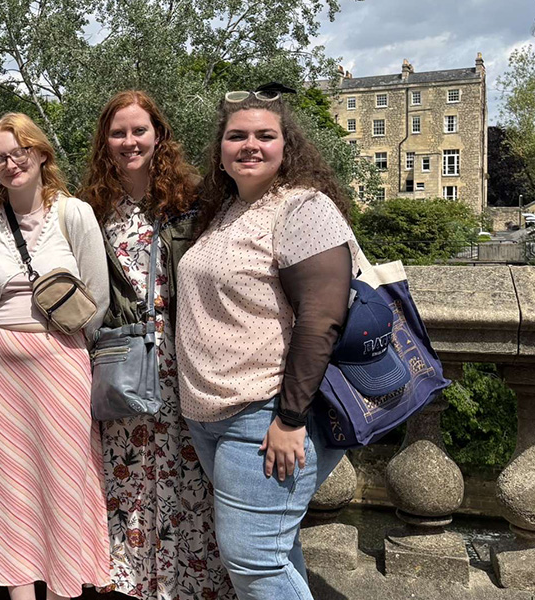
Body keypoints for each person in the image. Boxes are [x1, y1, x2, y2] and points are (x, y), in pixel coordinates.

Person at [174, 86, 356, 600]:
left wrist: (290, 420)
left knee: (253, 561)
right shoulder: (227, 210)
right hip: (212, 416)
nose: (249, 145)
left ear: (286, 146)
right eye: (236, 136)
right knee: (274, 552)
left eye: (264, 136)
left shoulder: (303, 208)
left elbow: (321, 321)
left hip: (265, 415)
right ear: (221, 150)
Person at [78, 91, 235, 600]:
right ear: (105, 141)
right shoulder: (90, 210)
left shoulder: (191, 202)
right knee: (129, 481)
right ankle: (134, 587)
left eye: (139, 130)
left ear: (158, 135)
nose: (129, 142)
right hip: (124, 364)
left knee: (192, 483)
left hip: (186, 364)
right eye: (118, 133)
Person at [0, 112, 111, 600]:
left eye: (18, 153)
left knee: (65, 481)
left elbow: (97, 299)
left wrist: (60, 345)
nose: (9, 164)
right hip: (0, 364)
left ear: (41, 154)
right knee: (10, 488)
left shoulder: (74, 214)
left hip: (61, 360)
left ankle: (66, 589)